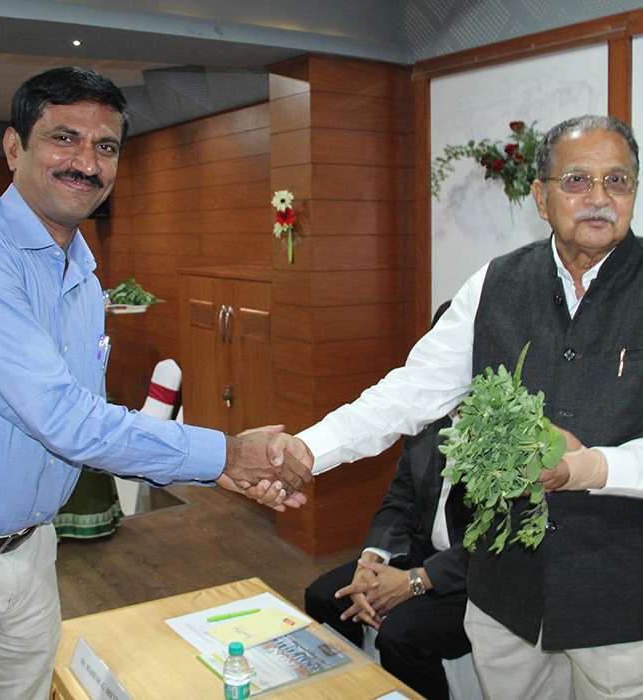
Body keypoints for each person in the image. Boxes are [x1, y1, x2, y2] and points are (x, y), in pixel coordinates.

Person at [0, 66, 311, 700]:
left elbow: (87, 419)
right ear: (13, 147)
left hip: (34, 551)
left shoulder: (83, 276)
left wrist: (215, 470)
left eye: (106, 146)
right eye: (64, 138)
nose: (87, 163)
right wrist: (224, 453)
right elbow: (64, 419)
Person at [264, 114, 643, 700]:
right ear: (540, 197)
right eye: (576, 180)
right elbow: (409, 393)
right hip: (504, 602)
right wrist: (307, 449)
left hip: (621, 604)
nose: (599, 197)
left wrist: (592, 467)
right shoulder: (495, 284)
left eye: (617, 181)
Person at [305, 413, 473, 700]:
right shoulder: (430, 418)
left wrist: (415, 581)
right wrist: (370, 561)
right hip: (427, 549)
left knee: (400, 636)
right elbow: (401, 499)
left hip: (476, 571)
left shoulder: (500, 430)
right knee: (325, 597)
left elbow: (495, 541)